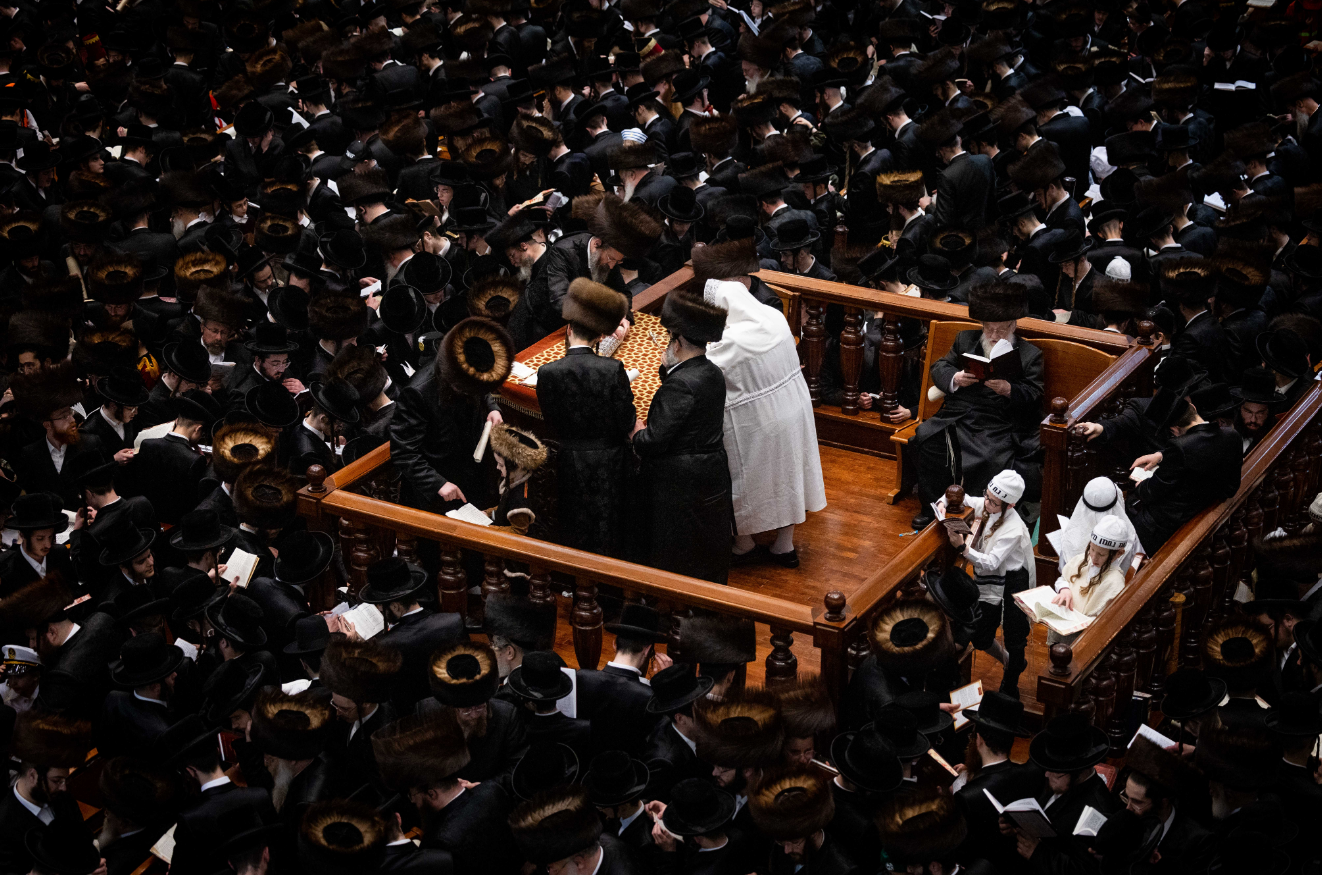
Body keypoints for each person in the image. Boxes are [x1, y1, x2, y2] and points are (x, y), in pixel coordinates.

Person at [693, 237, 827, 568]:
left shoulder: (733, 340)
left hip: (759, 423)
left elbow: (703, 367)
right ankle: (784, 545)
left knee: (747, 480)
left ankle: (744, 541)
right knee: (790, 476)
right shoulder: (772, 316)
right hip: (794, 411)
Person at [910, 282, 1044, 530]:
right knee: (927, 439)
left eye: (1001, 330)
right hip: (958, 414)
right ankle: (931, 508)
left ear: (1013, 326)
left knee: (989, 456)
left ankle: (976, 515)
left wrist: (1009, 389)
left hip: (998, 421)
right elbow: (939, 367)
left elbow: (1034, 394)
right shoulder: (965, 339)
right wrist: (956, 378)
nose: (993, 335)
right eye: (988, 328)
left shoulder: (1030, 354)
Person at [632, 289, 734, 584]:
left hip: (680, 484)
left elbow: (652, 442)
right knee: (707, 548)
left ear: (677, 343)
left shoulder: (680, 385)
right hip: (710, 472)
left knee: (679, 553)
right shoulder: (712, 372)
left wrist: (636, 432)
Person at [534, 278, 636, 558]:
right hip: (611, 461)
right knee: (608, 528)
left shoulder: (547, 372)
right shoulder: (613, 369)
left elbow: (550, 421)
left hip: (569, 460)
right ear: (600, 337)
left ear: (569, 329)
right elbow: (627, 419)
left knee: (574, 526)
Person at [945, 470, 1036, 697]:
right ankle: (1009, 661)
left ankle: (1011, 682)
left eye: (993, 502)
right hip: (993, 579)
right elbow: (963, 498)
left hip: (1014, 581)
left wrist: (962, 547)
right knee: (981, 636)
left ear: (1010, 505)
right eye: (986, 496)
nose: (986, 504)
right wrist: (943, 503)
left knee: (1015, 636)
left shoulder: (1014, 529)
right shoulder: (989, 505)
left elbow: (992, 562)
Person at [1049, 516, 1132, 645]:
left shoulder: (1114, 581)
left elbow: (1107, 618)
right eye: (1092, 549)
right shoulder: (1082, 560)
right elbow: (1063, 578)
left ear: (1119, 553)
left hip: (1084, 636)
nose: (1093, 557)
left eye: (1101, 554)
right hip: (1062, 625)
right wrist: (1064, 589)